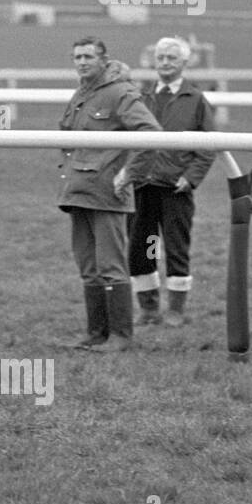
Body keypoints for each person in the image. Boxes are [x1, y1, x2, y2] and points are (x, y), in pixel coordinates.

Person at [58, 36, 161, 351]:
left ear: (104, 59)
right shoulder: (81, 94)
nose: (82, 62)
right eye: (77, 57)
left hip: (108, 193)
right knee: (88, 266)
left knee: (111, 265)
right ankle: (97, 333)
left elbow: (151, 134)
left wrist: (129, 174)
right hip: (77, 191)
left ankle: (120, 336)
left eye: (88, 56)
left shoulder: (121, 92)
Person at [127, 36, 216, 327]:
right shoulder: (143, 96)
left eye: (172, 58)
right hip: (144, 187)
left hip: (176, 189)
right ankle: (149, 308)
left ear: (184, 63)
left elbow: (208, 146)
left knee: (176, 247)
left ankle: (176, 310)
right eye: (161, 57)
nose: (165, 63)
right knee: (145, 246)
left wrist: (190, 179)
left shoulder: (196, 100)